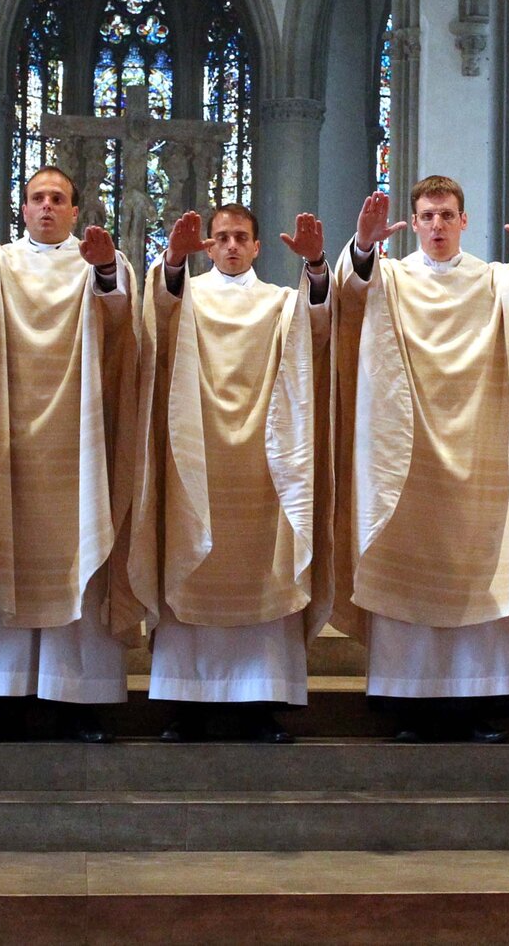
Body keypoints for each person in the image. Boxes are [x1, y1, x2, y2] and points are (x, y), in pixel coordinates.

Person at [330, 177, 509, 743]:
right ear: (413, 223)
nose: (437, 226)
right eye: (427, 216)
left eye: (447, 215)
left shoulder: (496, 280)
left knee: (483, 568)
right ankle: (409, 708)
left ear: (465, 221)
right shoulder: (389, 279)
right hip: (405, 456)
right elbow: (346, 293)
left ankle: (479, 707)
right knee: (406, 566)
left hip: (481, 451)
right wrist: (364, 245)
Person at [0, 166, 140, 744]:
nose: (47, 207)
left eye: (59, 199)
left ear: (75, 210)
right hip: (5, 441)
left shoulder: (96, 262)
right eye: (38, 198)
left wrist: (110, 269)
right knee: (0, 551)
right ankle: (2, 698)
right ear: (23, 208)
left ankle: (80, 701)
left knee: (81, 558)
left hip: (80, 442)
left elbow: (123, 325)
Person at [125, 205, 331, 743]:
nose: (232, 246)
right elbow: (157, 318)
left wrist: (314, 267)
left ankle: (259, 704)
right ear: (208, 247)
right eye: (221, 238)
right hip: (196, 460)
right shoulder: (186, 297)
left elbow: (322, 326)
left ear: (259, 247)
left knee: (262, 574)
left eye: (242, 237)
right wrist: (171, 260)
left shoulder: (282, 304)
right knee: (192, 562)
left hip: (264, 466)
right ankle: (186, 705)